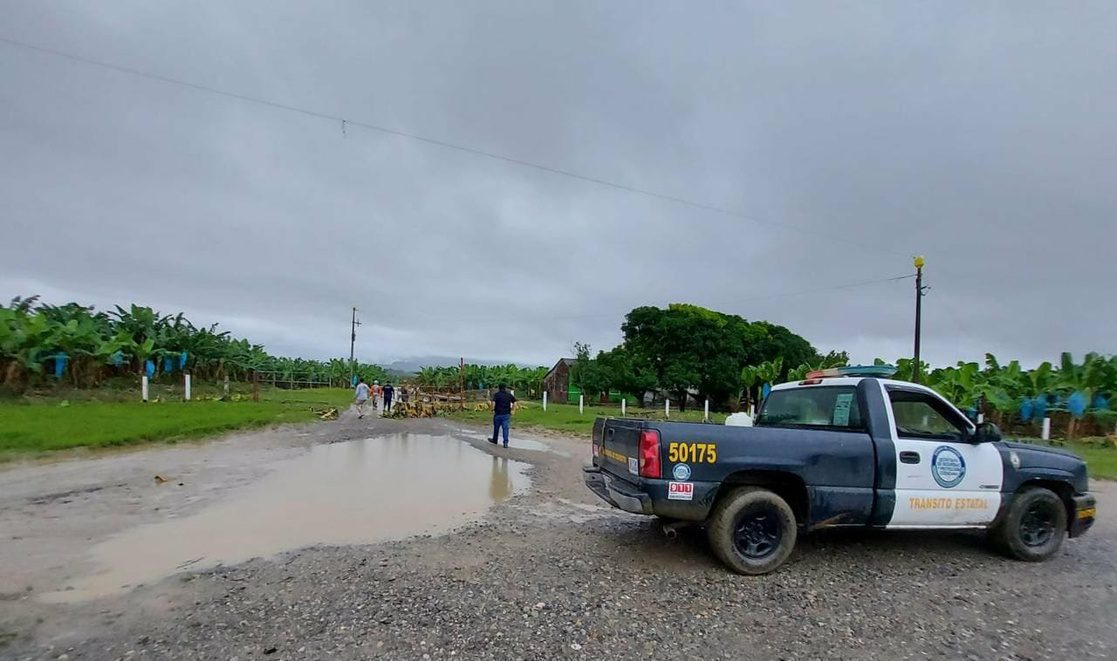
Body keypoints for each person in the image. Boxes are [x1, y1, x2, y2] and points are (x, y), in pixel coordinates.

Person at [490, 383, 516, 448]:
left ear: (499, 388)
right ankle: (505, 443)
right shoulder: (509, 395)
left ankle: (495, 440)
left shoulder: (496, 395)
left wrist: (492, 410)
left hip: (498, 414)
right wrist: (513, 410)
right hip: (506, 414)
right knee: (505, 429)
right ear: (505, 388)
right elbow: (515, 402)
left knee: (496, 428)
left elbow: (493, 402)